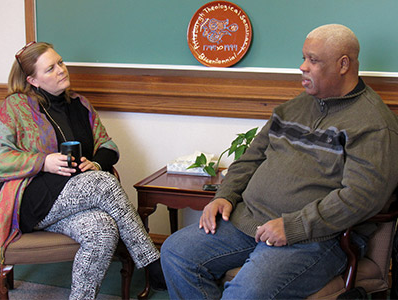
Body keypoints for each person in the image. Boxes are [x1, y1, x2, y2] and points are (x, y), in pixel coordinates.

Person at [160, 24, 398, 299]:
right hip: (248, 221)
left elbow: (362, 197)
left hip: (317, 239)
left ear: (343, 64)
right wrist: (225, 196)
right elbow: (251, 158)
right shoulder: (293, 107)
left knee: (245, 292)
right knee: (176, 252)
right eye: (303, 57)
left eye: (313, 60)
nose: (303, 67)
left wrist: (293, 226)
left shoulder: (374, 124)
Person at [0, 41, 165, 299]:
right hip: (32, 200)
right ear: (33, 80)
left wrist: (96, 163)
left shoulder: (80, 104)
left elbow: (108, 145)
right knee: (103, 183)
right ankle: (152, 263)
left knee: (103, 229)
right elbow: (0, 158)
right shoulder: (16, 107)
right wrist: (44, 161)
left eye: (60, 63)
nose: (61, 70)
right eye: (50, 69)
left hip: (75, 199)